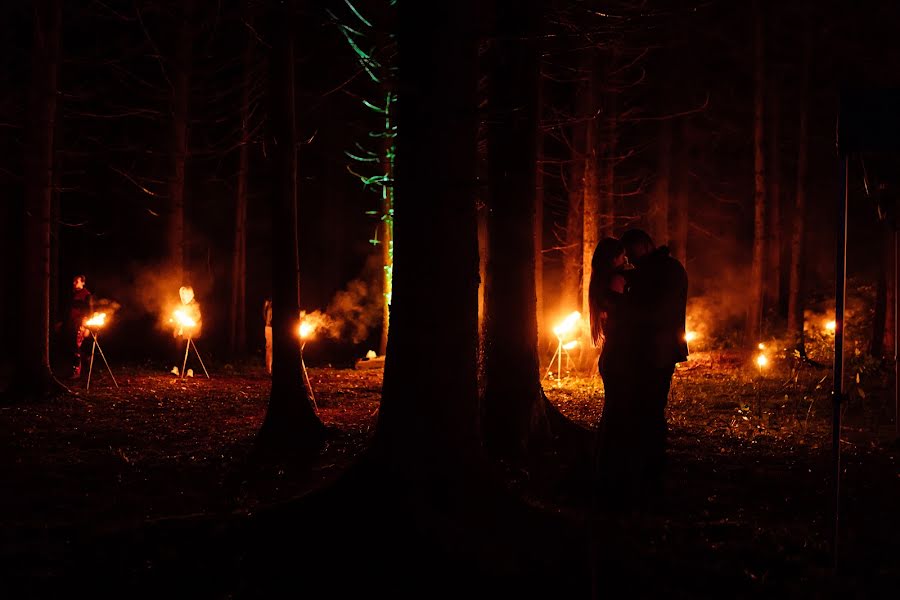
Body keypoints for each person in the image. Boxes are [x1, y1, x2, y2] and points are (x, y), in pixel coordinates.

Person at [619, 228, 688, 488]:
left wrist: (625, 307)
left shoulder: (667, 270)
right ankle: (646, 463)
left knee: (651, 408)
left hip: (658, 350)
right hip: (651, 349)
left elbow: (658, 310)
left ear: (644, 246)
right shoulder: (654, 269)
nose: (629, 259)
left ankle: (653, 466)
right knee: (644, 407)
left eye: (631, 252)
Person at [588, 237, 640, 505]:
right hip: (618, 357)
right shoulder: (616, 282)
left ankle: (604, 472)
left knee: (614, 415)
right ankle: (609, 477)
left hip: (612, 357)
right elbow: (626, 314)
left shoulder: (601, 282)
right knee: (617, 417)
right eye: (621, 256)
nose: (626, 260)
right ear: (612, 259)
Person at [65, 275, 93, 379]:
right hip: (72, 323)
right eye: (73, 281)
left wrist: (85, 327)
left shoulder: (86, 295)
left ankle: (77, 371)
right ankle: (83, 368)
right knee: (73, 346)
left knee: (76, 347)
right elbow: (69, 309)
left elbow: (89, 311)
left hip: (80, 324)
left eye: (76, 281)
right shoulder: (73, 294)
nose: (74, 283)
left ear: (83, 283)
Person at [263, 298, 273, 374]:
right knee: (269, 349)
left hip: (268, 328)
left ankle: (269, 369)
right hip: (269, 328)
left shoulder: (268, 307)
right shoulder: (269, 308)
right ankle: (268, 369)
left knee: (269, 349)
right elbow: (267, 319)